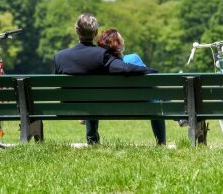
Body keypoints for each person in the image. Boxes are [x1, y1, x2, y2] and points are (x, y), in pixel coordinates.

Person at [54, 13, 157, 145]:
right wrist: (150, 70)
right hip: (97, 103)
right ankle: (92, 139)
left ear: (76, 31)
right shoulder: (102, 54)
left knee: (90, 97)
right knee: (92, 97)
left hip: (68, 106)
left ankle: (92, 140)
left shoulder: (60, 56)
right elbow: (124, 69)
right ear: (96, 32)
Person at [97, 29, 166, 145]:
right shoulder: (132, 58)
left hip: (109, 106)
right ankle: (161, 143)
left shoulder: (100, 65)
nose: (123, 40)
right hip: (140, 104)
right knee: (155, 96)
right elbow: (150, 81)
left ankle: (92, 142)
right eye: (121, 38)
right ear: (118, 44)